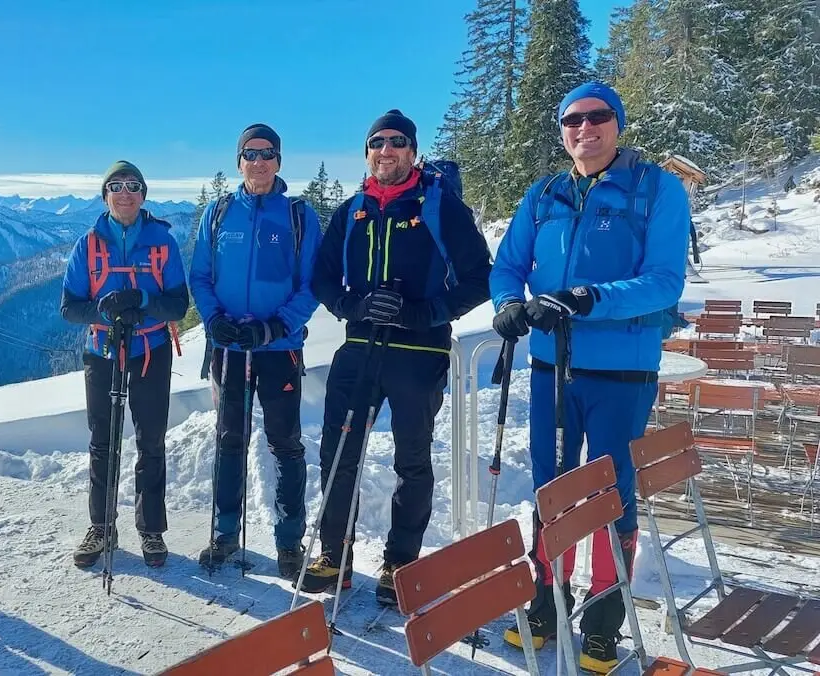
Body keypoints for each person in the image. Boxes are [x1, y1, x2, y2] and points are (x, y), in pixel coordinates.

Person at [490, 82, 689, 674]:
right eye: (572, 120)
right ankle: (547, 604)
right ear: (562, 132)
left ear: (617, 124)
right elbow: (508, 265)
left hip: (621, 371)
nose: (585, 128)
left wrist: (588, 298)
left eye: (598, 117)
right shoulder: (544, 194)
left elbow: (664, 282)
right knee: (552, 490)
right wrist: (507, 303)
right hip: (550, 369)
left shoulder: (656, 189)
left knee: (609, 492)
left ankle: (602, 622)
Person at [301, 110, 492, 605]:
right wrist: (353, 306)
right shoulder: (352, 211)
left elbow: (480, 278)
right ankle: (335, 556)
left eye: (397, 142)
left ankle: (401, 562)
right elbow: (322, 277)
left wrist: (423, 313)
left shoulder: (440, 206)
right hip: (359, 346)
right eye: (377, 142)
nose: (386, 150)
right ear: (367, 152)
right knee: (337, 454)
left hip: (419, 351)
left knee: (412, 459)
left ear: (413, 151)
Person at [189, 123, 322, 579]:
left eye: (267, 153)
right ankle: (225, 533)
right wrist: (214, 320)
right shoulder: (219, 213)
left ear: (278, 161)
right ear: (239, 161)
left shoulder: (298, 216)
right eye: (250, 153)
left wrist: (276, 327)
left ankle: (289, 541)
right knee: (229, 440)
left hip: (279, 348)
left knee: (284, 443)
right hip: (229, 349)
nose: (259, 161)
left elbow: (312, 284)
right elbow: (200, 276)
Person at [61, 160, 188, 569]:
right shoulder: (88, 245)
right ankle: (102, 526)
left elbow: (178, 304)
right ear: (105, 196)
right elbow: (69, 307)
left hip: (150, 350)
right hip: (103, 351)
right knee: (103, 440)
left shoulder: (163, 243)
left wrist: (143, 303)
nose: (125, 193)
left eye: (133, 186)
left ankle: (151, 529)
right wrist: (105, 310)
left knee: (151, 440)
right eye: (116, 186)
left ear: (143, 195)